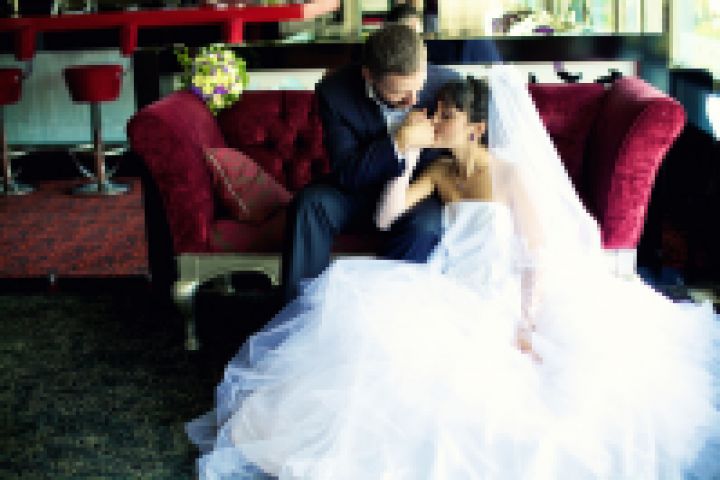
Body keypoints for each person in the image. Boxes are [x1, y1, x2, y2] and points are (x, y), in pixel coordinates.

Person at [187, 67, 720, 479]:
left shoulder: (508, 174)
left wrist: (527, 321)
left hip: (504, 290)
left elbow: (536, 254)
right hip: (449, 285)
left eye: (446, 116)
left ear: (477, 128)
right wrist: (405, 157)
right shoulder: (440, 169)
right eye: (436, 112)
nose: (435, 121)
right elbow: (386, 218)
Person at [281, 24, 459, 301]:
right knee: (310, 204)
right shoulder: (335, 92)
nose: (412, 100)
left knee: (425, 226)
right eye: (399, 93)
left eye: (418, 87)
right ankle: (301, 311)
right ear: (368, 75)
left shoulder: (448, 85)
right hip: (358, 191)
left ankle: (385, 308)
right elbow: (346, 171)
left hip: (417, 193)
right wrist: (398, 142)